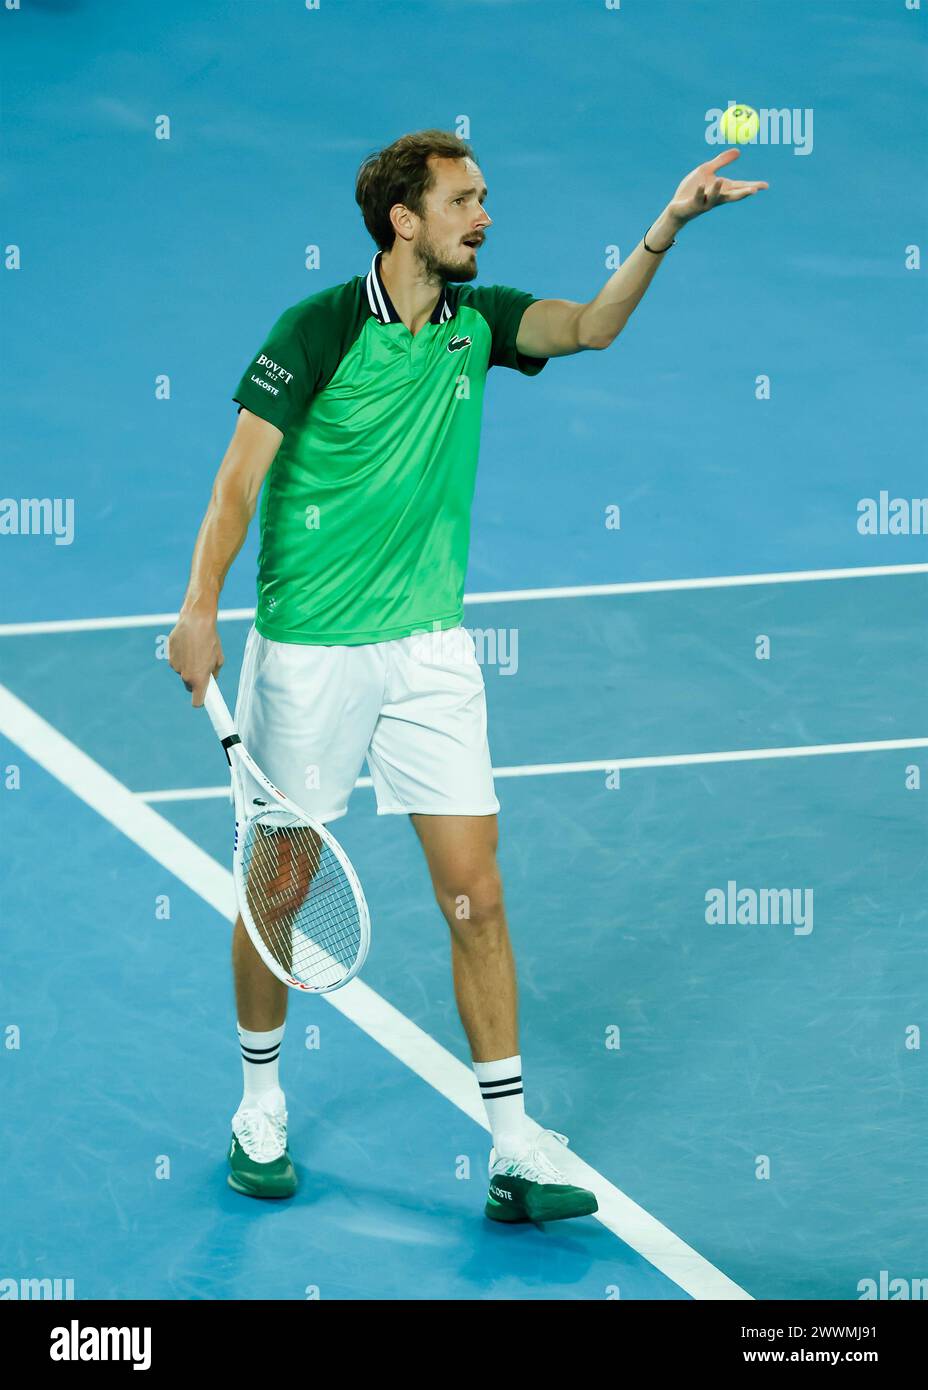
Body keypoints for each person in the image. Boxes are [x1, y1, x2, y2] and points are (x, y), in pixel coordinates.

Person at [167, 128, 766, 1222]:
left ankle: (510, 1145)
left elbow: (589, 326)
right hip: (308, 650)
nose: (483, 216)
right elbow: (236, 479)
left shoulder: (478, 324)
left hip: (431, 650)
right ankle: (260, 1103)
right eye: (462, 201)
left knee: (475, 894)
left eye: (484, 198)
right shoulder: (316, 329)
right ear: (405, 221)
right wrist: (201, 607)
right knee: (281, 888)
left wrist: (666, 228)